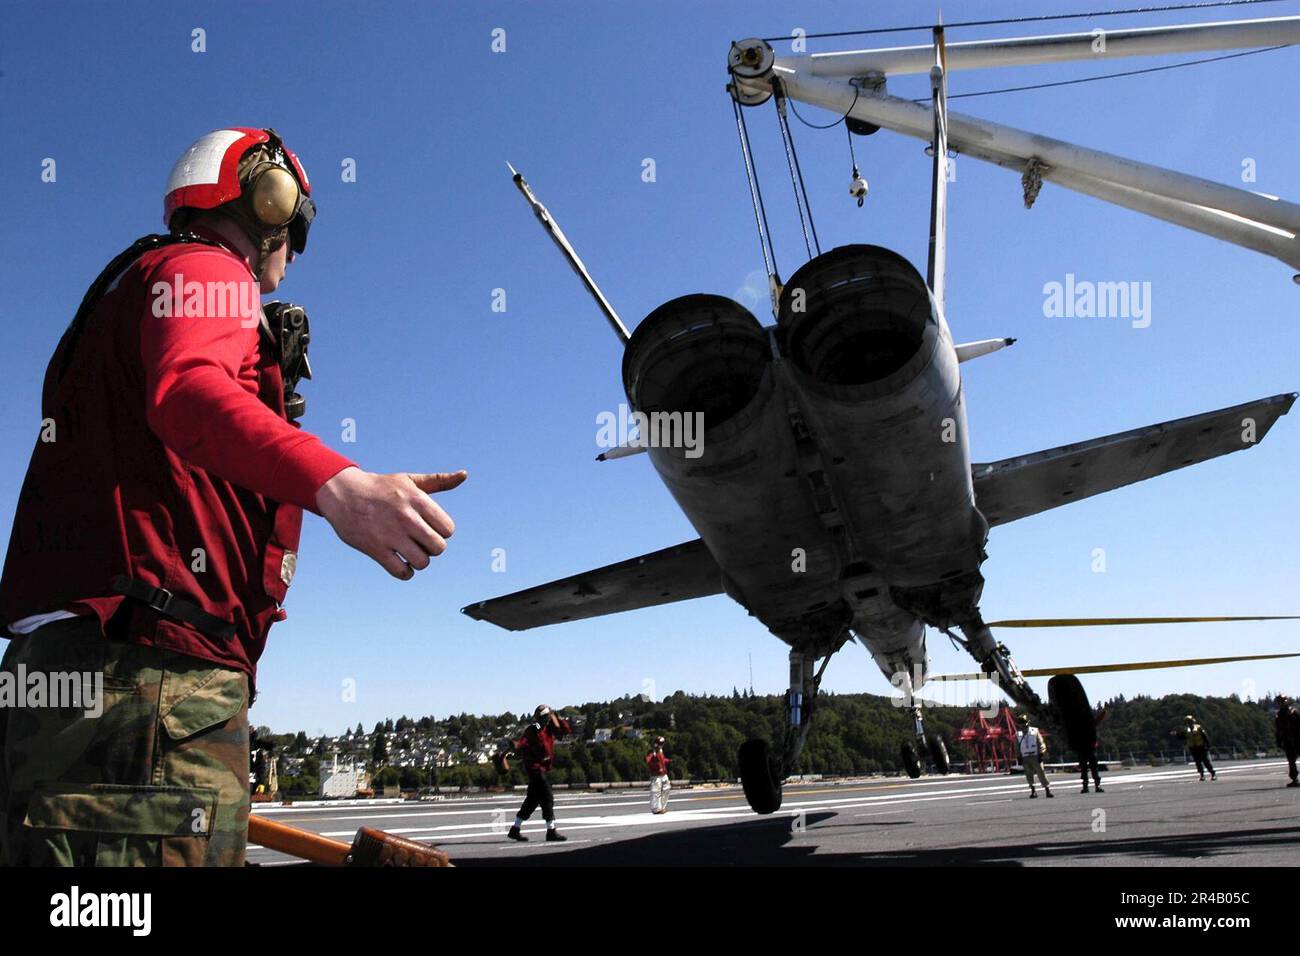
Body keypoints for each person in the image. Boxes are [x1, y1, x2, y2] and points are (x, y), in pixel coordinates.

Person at [0, 128, 466, 867]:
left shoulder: (129, 293)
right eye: (298, 229)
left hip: (77, 682)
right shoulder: (208, 271)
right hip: (148, 682)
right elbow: (187, 391)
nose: (294, 253)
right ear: (269, 201)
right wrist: (339, 484)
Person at [507, 705, 572, 842]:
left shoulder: (549, 727)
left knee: (532, 800)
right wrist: (515, 745)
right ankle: (551, 831)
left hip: (542, 768)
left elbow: (566, 731)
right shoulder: (533, 729)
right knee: (547, 797)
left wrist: (558, 718)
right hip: (534, 768)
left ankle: (515, 829)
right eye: (543, 718)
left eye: (546, 717)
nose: (544, 720)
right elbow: (522, 742)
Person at [1017, 714, 1054, 798]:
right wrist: (1018, 756)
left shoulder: (1034, 731)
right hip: (1025, 757)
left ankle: (1047, 790)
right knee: (1029, 775)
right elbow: (1017, 747)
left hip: (1035, 755)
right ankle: (1033, 791)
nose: (1022, 725)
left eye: (1023, 722)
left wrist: (1041, 753)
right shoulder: (1018, 734)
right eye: (1020, 723)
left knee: (1041, 773)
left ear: (1027, 722)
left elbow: (1041, 743)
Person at [1173, 715, 1216, 781]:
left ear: (1193, 721)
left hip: (1201, 747)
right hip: (1193, 748)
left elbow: (1205, 736)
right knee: (1198, 762)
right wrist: (1176, 734)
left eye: (1190, 721)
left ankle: (1213, 774)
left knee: (1205, 761)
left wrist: (1208, 745)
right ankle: (1202, 775)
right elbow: (1183, 737)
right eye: (1187, 722)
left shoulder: (1199, 728)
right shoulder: (1186, 729)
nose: (1189, 723)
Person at [1080, 704, 1106, 794]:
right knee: (1086, 768)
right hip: (1084, 748)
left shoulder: (1090, 724)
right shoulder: (1081, 726)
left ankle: (1092, 786)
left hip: (1089, 748)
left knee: (1092, 768)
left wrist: (1104, 712)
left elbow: (1098, 720)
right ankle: (1088, 785)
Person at [1275, 695, 1300, 788]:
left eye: (1283, 701)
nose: (1282, 703)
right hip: (1287, 740)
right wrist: (1278, 740)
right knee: (1291, 760)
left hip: (1297, 739)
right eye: (1280, 702)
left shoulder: (1294, 712)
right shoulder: (1279, 715)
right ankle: (1294, 778)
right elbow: (1278, 729)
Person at [646, 736, 672, 814]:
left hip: (663, 774)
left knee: (666, 789)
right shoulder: (652, 752)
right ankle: (656, 809)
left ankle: (662, 807)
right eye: (660, 743)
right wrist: (654, 761)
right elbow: (648, 760)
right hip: (656, 775)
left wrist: (668, 761)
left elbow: (662, 760)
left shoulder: (660, 751)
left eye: (662, 743)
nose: (661, 744)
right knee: (655, 792)